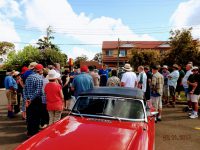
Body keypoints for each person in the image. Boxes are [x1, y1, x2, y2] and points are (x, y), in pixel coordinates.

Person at [23, 64, 44, 137]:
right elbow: (38, 91)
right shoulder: (40, 78)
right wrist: (31, 99)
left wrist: (26, 99)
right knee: (36, 117)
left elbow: (24, 89)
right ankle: (34, 133)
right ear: (40, 70)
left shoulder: (28, 77)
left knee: (29, 116)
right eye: (42, 69)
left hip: (29, 99)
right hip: (36, 100)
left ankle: (29, 132)